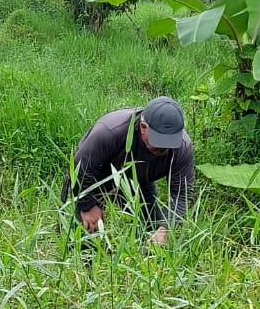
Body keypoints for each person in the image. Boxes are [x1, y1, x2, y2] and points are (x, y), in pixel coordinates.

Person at [66, 96, 194, 246]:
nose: (164, 148)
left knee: (150, 229)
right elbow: (80, 169)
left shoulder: (182, 146)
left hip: (140, 180)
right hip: (97, 177)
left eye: (169, 143)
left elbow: (182, 194)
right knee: (86, 235)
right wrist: (87, 206)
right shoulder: (109, 132)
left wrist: (164, 228)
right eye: (159, 142)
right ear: (143, 127)